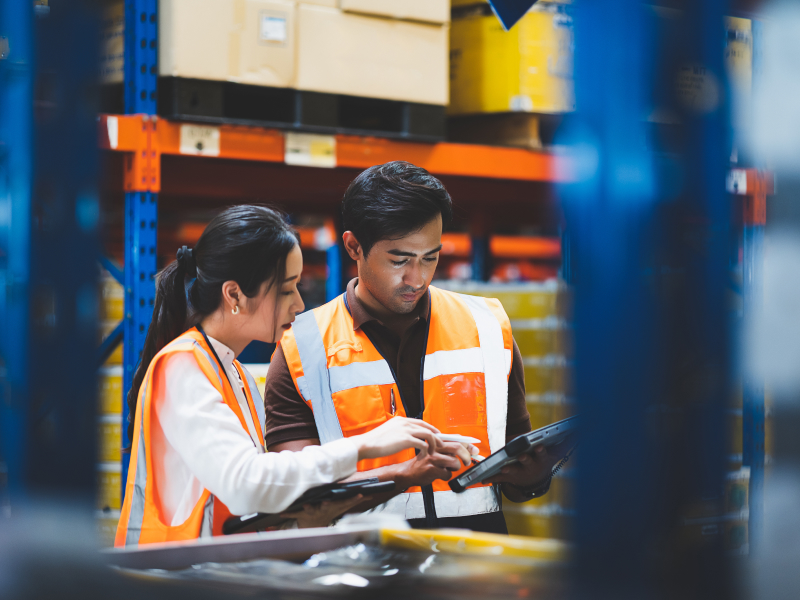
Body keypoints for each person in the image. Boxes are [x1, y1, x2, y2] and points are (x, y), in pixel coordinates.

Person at [115, 205, 471, 546]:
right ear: (234, 294)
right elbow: (244, 484)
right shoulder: (181, 365)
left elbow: (242, 513)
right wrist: (364, 445)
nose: (299, 304)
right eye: (286, 289)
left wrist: (315, 516)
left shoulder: (233, 373)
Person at [264, 161, 561, 535]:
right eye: (399, 260)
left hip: (472, 574)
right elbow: (294, 496)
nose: (416, 278)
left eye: (430, 258)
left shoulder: (487, 326)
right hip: (362, 574)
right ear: (354, 247)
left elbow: (516, 475)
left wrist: (534, 476)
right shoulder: (301, 349)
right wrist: (403, 475)